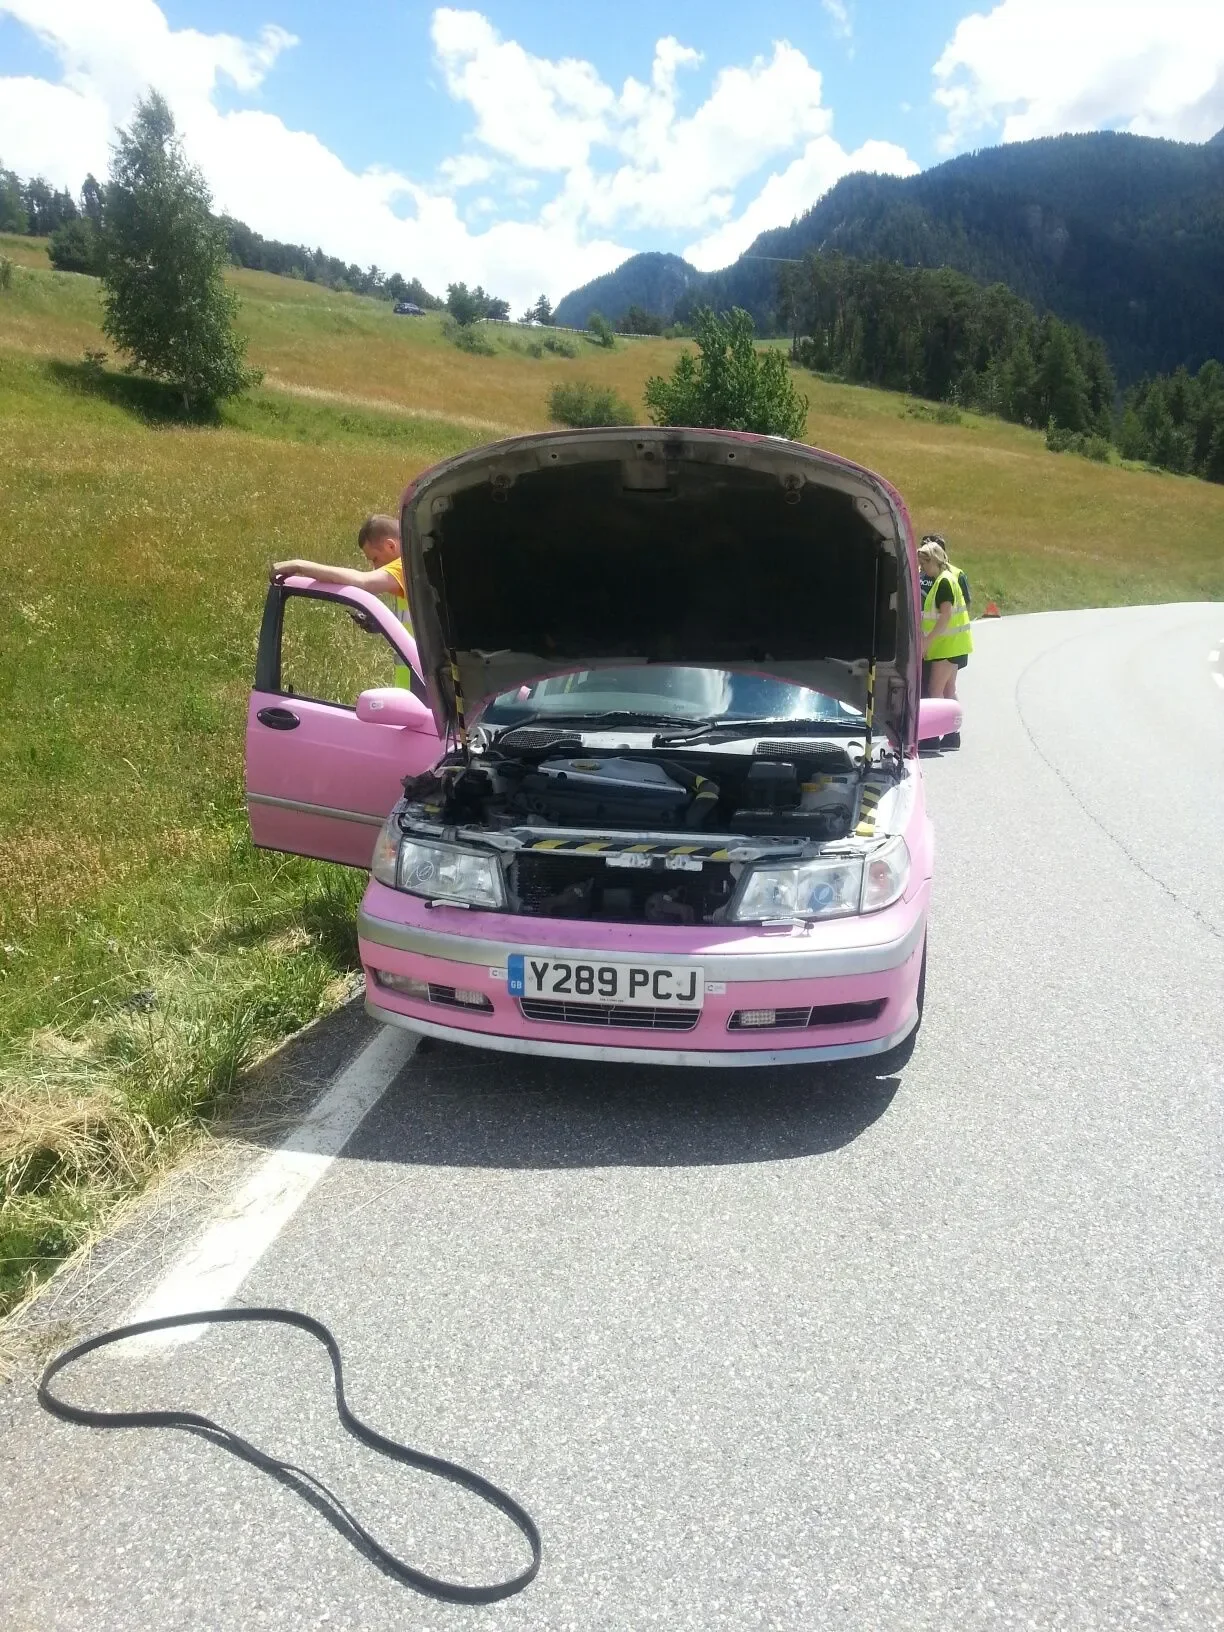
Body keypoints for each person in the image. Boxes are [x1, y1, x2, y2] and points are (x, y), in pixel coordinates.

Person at [272, 514, 413, 686]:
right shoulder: (415, 572)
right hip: (418, 682)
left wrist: (299, 565)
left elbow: (363, 582)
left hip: (424, 684)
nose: (375, 567)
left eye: (375, 559)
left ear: (391, 546)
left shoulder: (406, 565)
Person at [918, 537, 972, 749]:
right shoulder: (948, 578)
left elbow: (945, 616)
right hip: (955, 644)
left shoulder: (943, 582)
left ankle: (932, 737)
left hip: (946, 645)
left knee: (934, 690)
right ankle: (952, 735)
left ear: (935, 560)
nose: (923, 569)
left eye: (925, 564)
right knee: (949, 690)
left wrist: (926, 642)